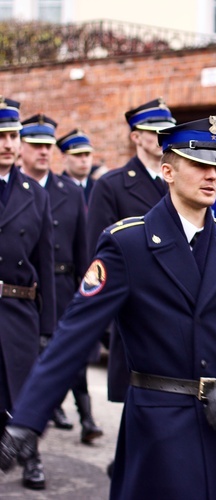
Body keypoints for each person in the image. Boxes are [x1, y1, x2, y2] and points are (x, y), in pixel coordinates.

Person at [0, 116, 216, 500]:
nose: (211, 174)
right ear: (168, 170)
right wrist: (27, 420)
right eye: (199, 165)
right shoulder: (128, 244)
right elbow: (74, 336)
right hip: (156, 422)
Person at [18, 115, 103, 444]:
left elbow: (84, 250)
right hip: (26, 289)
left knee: (73, 354)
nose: (43, 153)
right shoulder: (13, 191)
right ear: (22, 147)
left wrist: (89, 293)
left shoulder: (67, 190)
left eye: (47, 146)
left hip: (66, 287)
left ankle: (87, 417)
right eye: (35, 146)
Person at [87, 97, 176, 405]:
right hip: (136, 306)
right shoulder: (112, 185)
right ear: (136, 136)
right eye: (154, 131)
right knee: (137, 399)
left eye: (168, 130)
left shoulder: (180, 182)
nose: (162, 137)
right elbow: (97, 257)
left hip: (179, 304)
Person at [0, 98, 55, 491]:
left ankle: (30, 456)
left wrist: (48, 326)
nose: (7, 143)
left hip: (19, 310)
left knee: (25, 392)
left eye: (13, 135)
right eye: (1, 135)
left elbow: (45, 263)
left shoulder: (35, 193)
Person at [58, 128, 96, 203]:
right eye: (77, 155)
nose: (84, 160)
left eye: (87, 154)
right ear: (64, 157)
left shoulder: (99, 187)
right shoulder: (55, 189)